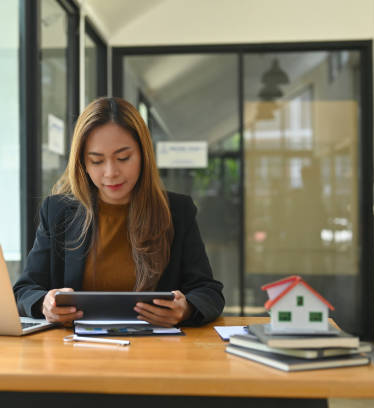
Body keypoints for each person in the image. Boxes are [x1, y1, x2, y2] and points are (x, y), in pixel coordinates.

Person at [13, 97, 224, 327]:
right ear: (82, 163)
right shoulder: (58, 211)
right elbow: (24, 290)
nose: (111, 173)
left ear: (143, 155)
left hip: (156, 351)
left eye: (123, 158)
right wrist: (45, 303)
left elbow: (209, 292)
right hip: (74, 353)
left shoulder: (176, 211)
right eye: (96, 161)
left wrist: (186, 309)